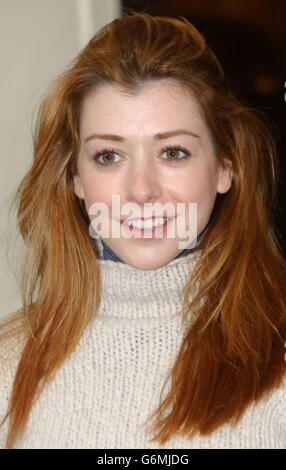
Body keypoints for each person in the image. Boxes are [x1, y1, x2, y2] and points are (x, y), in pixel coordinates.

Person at [0, 12, 285, 449]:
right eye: (109, 156)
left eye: (173, 152)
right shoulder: (10, 362)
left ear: (226, 166)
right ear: (75, 177)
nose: (140, 190)